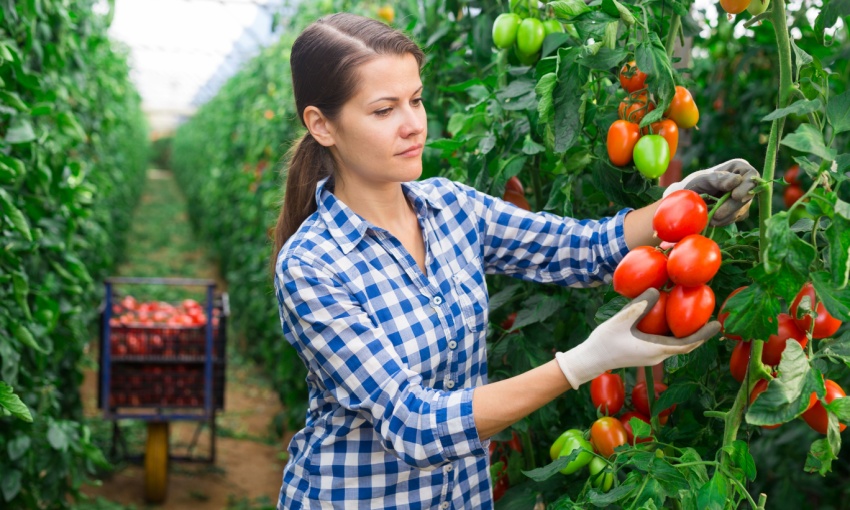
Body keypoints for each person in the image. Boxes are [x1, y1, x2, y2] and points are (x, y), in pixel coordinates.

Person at [270, 12, 758, 510]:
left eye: (415, 100)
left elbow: (579, 249)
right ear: (321, 125)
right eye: (383, 110)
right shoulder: (312, 266)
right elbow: (413, 423)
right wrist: (583, 363)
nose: (413, 125)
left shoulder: (451, 208)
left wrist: (681, 202)